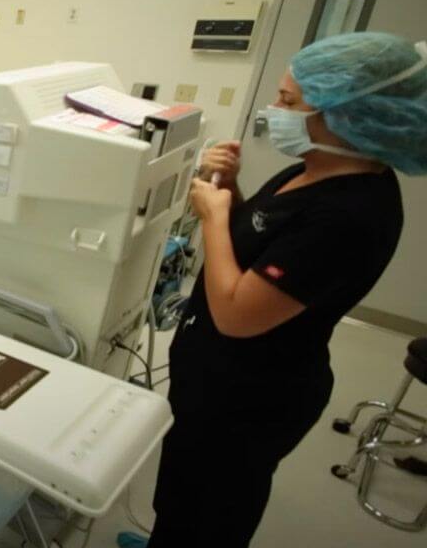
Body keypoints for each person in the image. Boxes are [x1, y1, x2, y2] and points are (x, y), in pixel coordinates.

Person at [127, 32, 427, 548]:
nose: (272, 109)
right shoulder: (314, 168)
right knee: (179, 493)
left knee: (211, 515)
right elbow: (261, 242)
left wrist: (213, 219)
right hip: (215, 379)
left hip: (251, 397)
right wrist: (230, 190)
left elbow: (238, 315)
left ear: (345, 116)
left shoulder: (351, 214)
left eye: (288, 101)